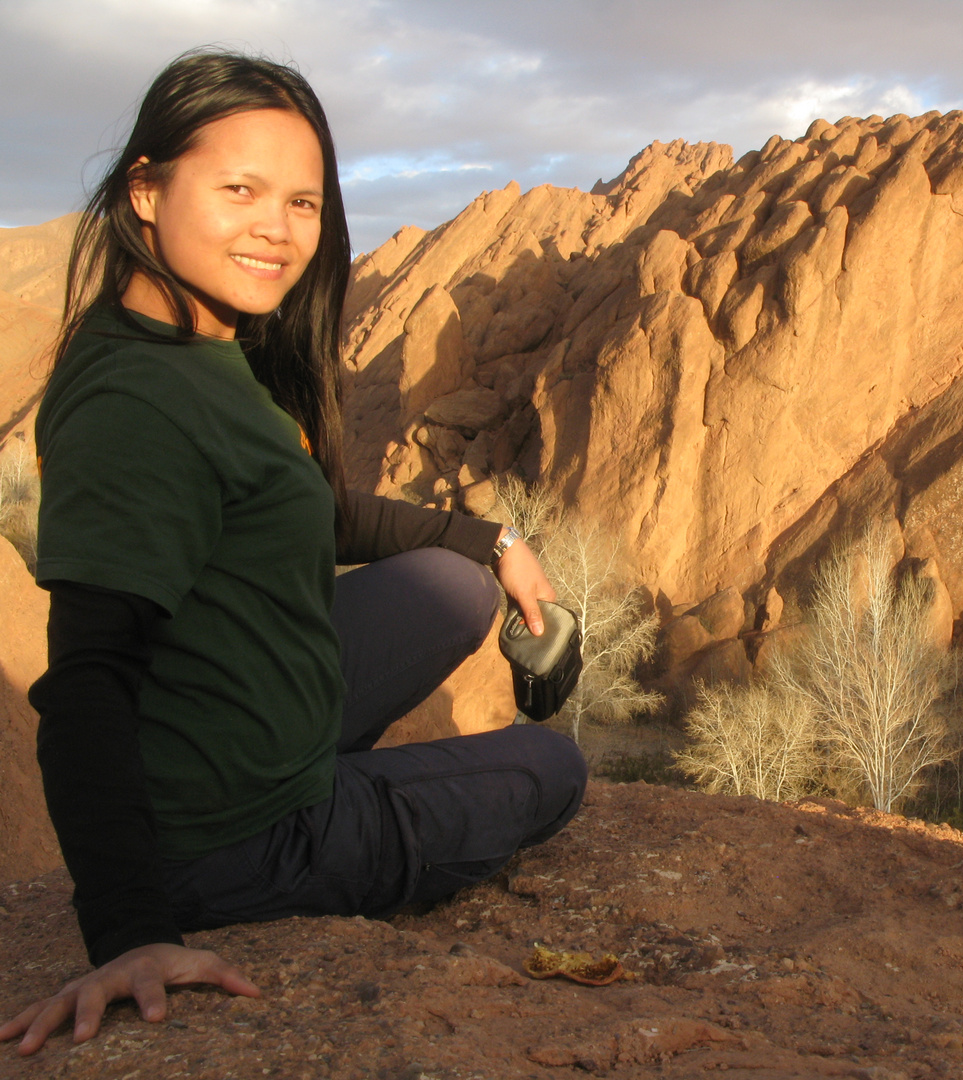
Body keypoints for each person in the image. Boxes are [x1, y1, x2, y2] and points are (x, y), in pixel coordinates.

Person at [0, 50, 587, 1056]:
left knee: (452, 587)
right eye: (240, 190)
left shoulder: (194, 344)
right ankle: (315, 817)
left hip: (244, 715)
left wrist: (495, 541)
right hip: (236, 830)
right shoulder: (135, 405)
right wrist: (133, 932)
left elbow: (304, 511)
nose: (278, 229)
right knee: (552, 767)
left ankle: (340, 725)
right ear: (146, 189)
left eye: (304, 202)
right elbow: (87, 678)